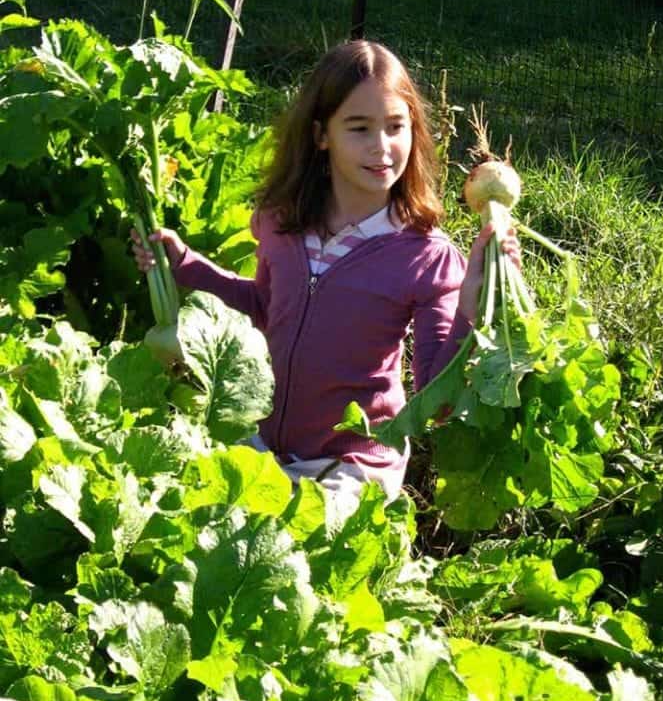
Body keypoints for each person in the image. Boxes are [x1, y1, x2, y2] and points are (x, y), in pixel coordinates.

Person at [132, 40, 520, 512]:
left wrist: (471, 306)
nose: (382, 147)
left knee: (301, 545)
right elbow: (265, 310)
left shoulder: (426, 256)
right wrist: (187, 265)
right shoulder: (282, 222)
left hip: (351, 466)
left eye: (396, 128)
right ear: (321, 135)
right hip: (261, 443)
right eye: (359, 128)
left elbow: (434, 403)